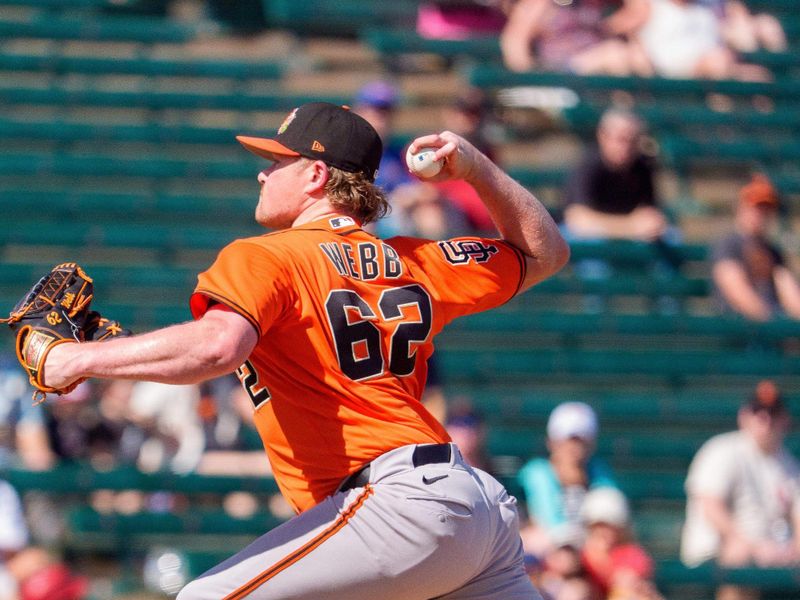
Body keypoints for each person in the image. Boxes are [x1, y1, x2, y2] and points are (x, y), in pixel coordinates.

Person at [40, 101, 570, 598]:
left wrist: (75, 359)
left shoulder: (268, 257)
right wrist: (476, 168)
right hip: (472, 508)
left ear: (316, 175)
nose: (262, 173)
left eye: (276, 160)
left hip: (396, 507)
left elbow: (218, 346)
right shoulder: (415, 262)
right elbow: (545, 253)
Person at [681, 380, 800, 598]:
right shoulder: (723, 450)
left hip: (772, 554)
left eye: (773, 413)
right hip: (717, 552)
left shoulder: (790, 466)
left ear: (785, 419)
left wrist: (794, 548)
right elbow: (710, 506)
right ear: (744, 416)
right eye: (758, 411)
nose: (765, 419)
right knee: (739, 557)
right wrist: (755, 547)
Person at [518, 402, 618, 557]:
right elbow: (548, 527)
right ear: (551, 442)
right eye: (567, 440)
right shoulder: (534, 475)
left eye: (580, 442)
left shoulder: (601, 475)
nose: (574, 449)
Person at [562, 109, 669, 243]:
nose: (626, 147)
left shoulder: (642, 166)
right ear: (603, 136)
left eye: (633, 141)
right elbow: (578, 221)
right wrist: (631, 226)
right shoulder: (588, 165)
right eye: (621, 139)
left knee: (670, 238)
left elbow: (647, 213)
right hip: (593, 240)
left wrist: (652, 224)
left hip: (625, 237)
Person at [711, 174, 800, 322]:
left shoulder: (773, 253)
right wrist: (771, 325)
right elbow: (737, 291)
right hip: (740, 330)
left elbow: (789, 291)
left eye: (766, 208)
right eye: (755, 207)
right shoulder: (728, 245)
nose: (760, 214)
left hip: (774, 330)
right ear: (740, 207)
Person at [499, 0, 646, 76]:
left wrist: (607, 28)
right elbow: (514, 40)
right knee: (614, 54)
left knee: (635, 55)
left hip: (594, 64)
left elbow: (640, 11)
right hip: (560, 68)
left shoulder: (592, 4)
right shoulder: (543, 4)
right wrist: (528, 76)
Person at [580, 487, 662, 600]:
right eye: (598, 526)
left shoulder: (632, 553)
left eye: (609, 525)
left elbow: (631, 580)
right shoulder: (580, 554)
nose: (603, 531)